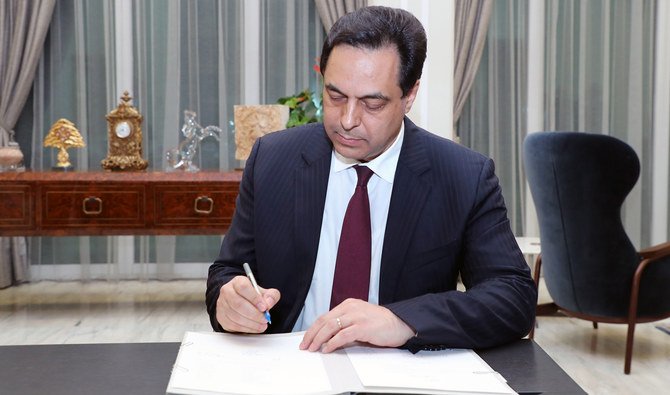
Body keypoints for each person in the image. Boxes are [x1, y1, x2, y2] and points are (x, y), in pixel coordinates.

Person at [206, 5, 537, 354]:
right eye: (335, 96)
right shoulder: (273, 159)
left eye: (372, 104)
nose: (347, 120)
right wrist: (229, 300)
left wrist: (403, 320)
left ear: (409, 96)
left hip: (400, 375)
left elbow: (513, 296)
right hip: (290, 366)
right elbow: (228, 271)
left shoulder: (462, 176)